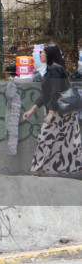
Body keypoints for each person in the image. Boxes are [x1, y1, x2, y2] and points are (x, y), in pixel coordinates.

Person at [23, 43, 82, 175]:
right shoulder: (51, 70)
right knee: (71, 144)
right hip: (64, 113)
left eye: (43, 52)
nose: (40, 54)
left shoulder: (55, 70)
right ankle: (38, 170)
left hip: (59, 114)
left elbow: (55, 93)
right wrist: (32, 110)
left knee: (44, 139)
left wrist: (50, 113)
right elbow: (45, 95)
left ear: (49, 54)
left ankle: (37, 171)